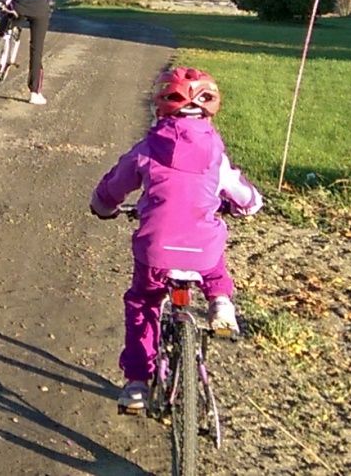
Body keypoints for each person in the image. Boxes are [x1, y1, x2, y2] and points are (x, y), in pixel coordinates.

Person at [88, 66, 263, 414]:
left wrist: (102, 206)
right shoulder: (216, 152)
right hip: (201, 251)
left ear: (161, 107)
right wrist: (250, 205)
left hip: (157, 250)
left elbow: (114, 186)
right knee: (213, 261)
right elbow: (243, 196)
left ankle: (137, 384)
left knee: (143, 304)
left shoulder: (148, 148)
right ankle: (221, 305)